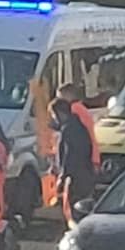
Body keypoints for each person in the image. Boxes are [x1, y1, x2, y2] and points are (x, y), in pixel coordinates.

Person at [51, 98, 96, 229]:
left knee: (72, 210)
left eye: (54, 115)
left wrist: (62, 176)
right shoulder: (79, 127)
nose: (54, 119)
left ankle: (75, 233)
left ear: (60, 113)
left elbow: (70, 155)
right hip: (84, 174)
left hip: (75, 177)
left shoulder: (69, 129)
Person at [55, 83, 100, 173]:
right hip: (91, 153)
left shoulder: (74, 109)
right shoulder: (81, 108)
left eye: (60, 97)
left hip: (83, 157)